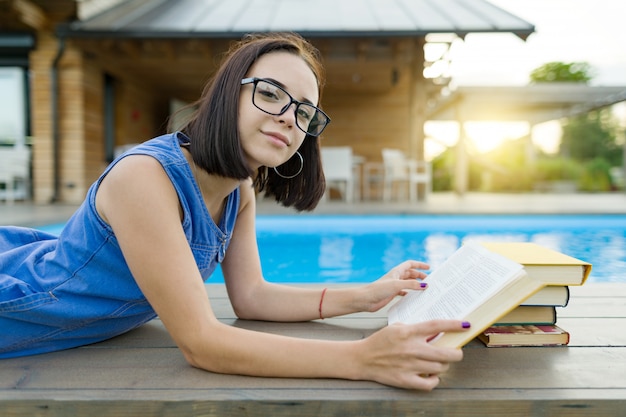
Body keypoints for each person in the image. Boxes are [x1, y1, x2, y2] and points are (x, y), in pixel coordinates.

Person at [0, 32, 469, 391]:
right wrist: (362, 359)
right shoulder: (144, 178)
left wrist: (366, 295)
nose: (290, 116)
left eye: (306, 112)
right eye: (270, 93)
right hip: (19, 303)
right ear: (229, 94)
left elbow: (251, 297)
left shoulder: (238, 190)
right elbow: (202, 343)